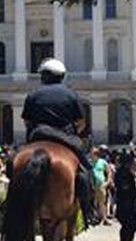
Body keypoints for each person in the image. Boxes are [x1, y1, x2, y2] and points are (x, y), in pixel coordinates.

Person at [21, 58, 97, 226]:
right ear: (62, 76)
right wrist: (72, 133)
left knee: (15, 164)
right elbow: (81, 122)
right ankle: (88, 208)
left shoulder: (33, 95)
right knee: (86, 169)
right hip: (66, 137)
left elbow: (27, 122)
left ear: (44, 77)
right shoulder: (71, 94)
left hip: (39, 135)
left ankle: (11, 201)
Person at [113, 151, 136, 241]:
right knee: (130, 226)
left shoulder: (130, 172)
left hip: (132, 203)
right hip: (125, 204)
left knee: (132, 226)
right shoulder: (122, 173)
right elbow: (125, 188)